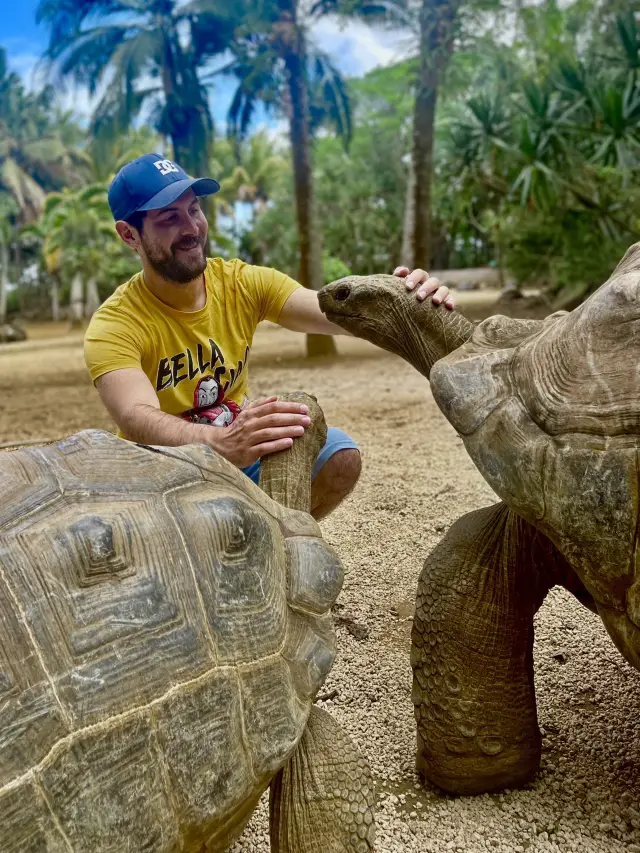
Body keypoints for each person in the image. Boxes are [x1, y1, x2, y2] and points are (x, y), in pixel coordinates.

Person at [84, 154, 455, 520]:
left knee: (339, 456)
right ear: (129, 234)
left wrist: (406, 298)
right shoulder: (115, 324)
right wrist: (222, 443)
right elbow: (135, 417)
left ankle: (269, 549)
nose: (191, 228)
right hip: (161, 476)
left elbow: (339, 312)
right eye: (169, 218)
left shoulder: (241, 283)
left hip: (237, 455)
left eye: (194, 209)